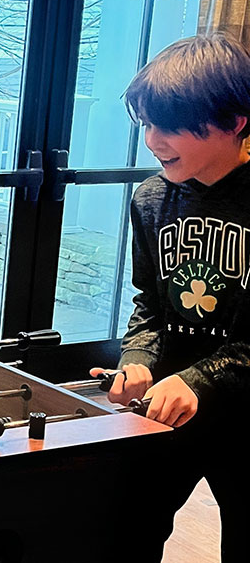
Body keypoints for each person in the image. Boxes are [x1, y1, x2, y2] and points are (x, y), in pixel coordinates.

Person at [90, 32, 250, 561]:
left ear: (234, 122)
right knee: (123, 533)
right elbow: (151, 303)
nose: (153, 140)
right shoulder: (151, 199)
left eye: (171, 126)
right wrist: (138, 358)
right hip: (167, 407)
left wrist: (199, 379)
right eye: (147, 123)